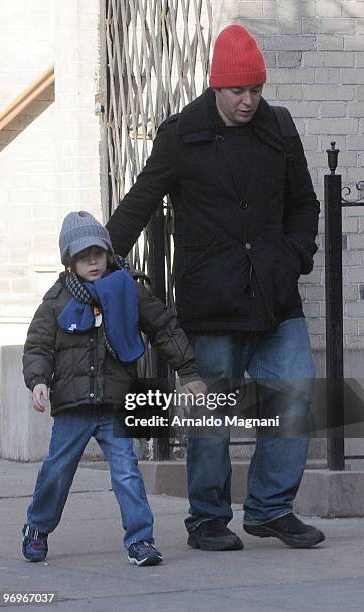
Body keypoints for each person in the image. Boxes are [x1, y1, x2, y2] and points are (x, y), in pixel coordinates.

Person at [106, 23, 325, 551]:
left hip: (275, 298)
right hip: (211, 300)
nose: (248, 101)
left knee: (294, 392)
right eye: (237, 91)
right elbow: (140, 201)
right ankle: (207, 518)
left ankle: (271, 508)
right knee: (210, 414)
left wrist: (295, 255)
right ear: (216, 86)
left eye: (255, 90)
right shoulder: (182, 134)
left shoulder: (279, 127)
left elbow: (305, 204)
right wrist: (97, 258)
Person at [22, 210, 204, 565]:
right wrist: (39, 381)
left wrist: (189, 371)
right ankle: (38, 527)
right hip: (73, 407)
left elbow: (164, 328)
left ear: (107, 253)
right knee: (57, 471)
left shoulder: (127, 290)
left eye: (98, 253)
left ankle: (140, 540)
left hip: (116, 403)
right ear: (69, 260)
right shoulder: (57, 299)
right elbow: (39, 345)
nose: (92, 261)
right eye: (82, 255)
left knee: (126, 470)